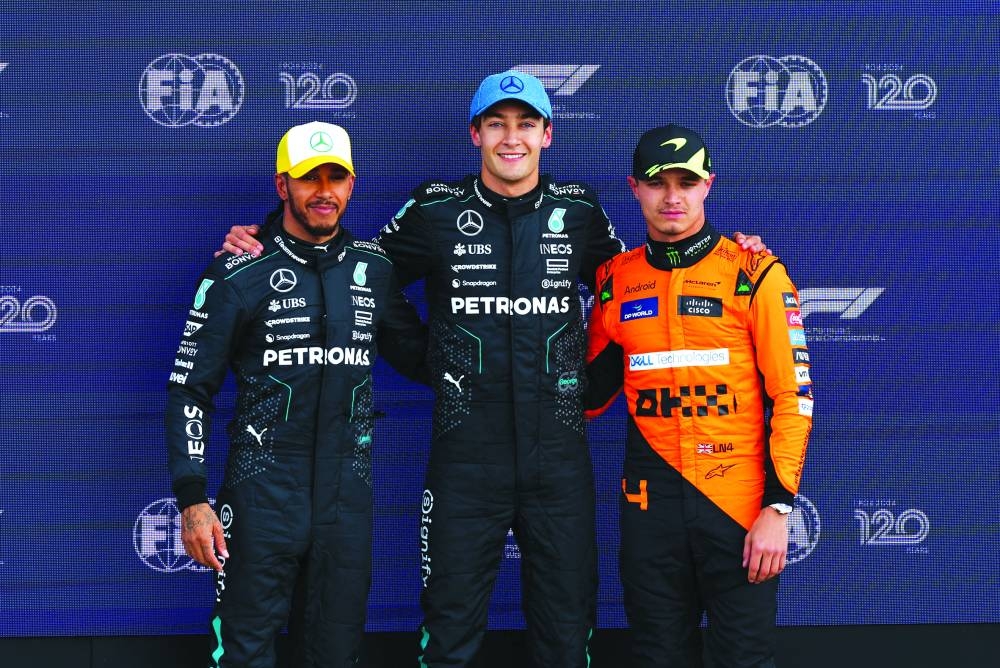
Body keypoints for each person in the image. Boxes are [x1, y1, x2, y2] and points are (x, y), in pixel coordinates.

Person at [219, 73, 769, 667]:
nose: (513, 138)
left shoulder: (577, 209)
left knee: (566, 630)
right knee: (450, 628)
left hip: (557, 459)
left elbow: (638, 287)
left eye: (526, 124)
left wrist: (728, 254)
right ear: (476, 133)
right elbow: (354, 271)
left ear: (547, 135)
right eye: (498, 124)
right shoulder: (436, 208)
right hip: (465, 459)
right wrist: (271, 239)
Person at [165, 121, 427, 667]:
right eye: (310, 179)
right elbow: (190, 389)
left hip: (345, 496)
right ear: (283, 185)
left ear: (352, 185)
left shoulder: (373, 270)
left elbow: (424, 358)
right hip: (262, 491)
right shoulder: (238, 272)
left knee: (335, 654)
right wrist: (193, 499)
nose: (324, 192)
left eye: (337, 177)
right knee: (244, 652)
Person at [584, 124, 812, 668]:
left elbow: (793, 396)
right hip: (650, 507)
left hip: (735, 507)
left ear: (708, 184)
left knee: (744, 660)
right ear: (634, 187)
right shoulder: (615, 281)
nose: (672, 197)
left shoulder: (755, 271)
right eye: (658, 183)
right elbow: (588, 397)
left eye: (686, 182)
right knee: (659, 656)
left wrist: (778, 509)